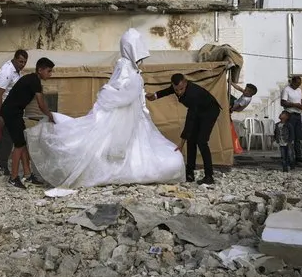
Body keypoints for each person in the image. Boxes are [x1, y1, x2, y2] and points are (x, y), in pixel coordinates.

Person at [26, 29, 186, 188]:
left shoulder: (132, 69)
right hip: (124, 115)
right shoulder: (124, 66)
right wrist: (132, 89)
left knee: (166, 157)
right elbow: (119, 88)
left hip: (136, 118)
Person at [148, 74, 222, 185]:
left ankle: (209, 176)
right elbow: (168, 90)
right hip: (198, 111)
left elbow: (190, 121)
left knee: (201, 141)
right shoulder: (176, 88)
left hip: (209, 111)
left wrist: (181, 143)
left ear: (186, 83)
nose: (179, 92)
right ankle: (189, 173)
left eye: (181, 89)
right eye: (176, 89)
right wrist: (155, 95)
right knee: (191, 140)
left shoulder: (193, 94)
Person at [0, 57, 55, 189]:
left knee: (22, 143)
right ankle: (13, 178)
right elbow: (41, 104)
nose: (50, 74)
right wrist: (50, 116)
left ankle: (27, 174)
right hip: (11, 113)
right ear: (40, 69)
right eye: (49, 71)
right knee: (19, 145)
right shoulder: (34, 81)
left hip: (15, 112)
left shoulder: (32, 79)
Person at [0, 50, 28, 175]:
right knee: (9, 136)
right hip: (1, 107)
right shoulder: (7, 71)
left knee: (8, 135)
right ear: (14, 59)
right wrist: (1, 114)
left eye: (25, 62)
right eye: (20, 61)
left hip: (9, 107)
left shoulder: (16, 70)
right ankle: (1, 163)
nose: (22, 64)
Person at [280, 76, 302, 164]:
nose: (298, 86)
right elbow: (283, 102)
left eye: (299, 84)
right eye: (296, 84)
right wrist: (295, 105)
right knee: (290, 137)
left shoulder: (299, 90)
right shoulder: (286, 89)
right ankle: (289, 156)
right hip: (290, 114)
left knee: (298, 137)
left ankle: (298, 156)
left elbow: (299, 100)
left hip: (298, 115)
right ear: (292, 82)